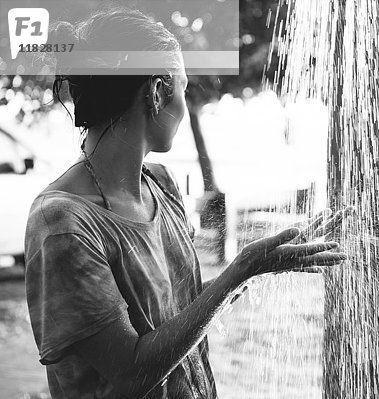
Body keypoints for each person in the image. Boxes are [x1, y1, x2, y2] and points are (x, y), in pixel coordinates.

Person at [24, 7, 347, 399]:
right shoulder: (63, 223)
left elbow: (175, 309)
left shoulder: (160, 184)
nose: (185, 103)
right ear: (157, 93)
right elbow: (131, 372)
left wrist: (259, 268)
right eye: (184, 88)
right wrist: (240, 270)